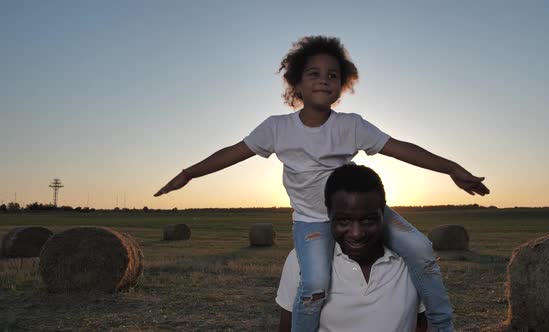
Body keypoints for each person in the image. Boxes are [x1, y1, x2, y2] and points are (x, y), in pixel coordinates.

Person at [154, 35, 489, 332]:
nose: (324, 81)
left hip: (358, 211)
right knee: (313, 283)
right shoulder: (276, 128)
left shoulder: (351, 125)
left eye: (333, 75)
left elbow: (401, 148)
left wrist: (451, 168)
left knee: (421, 249)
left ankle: (442, 325)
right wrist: (188, 174)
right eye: (314, 73)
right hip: (312, 221)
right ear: (296, 83)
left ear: (341, 85)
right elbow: (232, 153)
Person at [277, 164, 427, 332]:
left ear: (384, 214)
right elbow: (287, 327)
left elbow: (422, 324)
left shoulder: (412, 260)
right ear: (328, 214)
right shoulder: (303, 260)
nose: (356, 234)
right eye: (343, 221)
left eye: (368, 220)